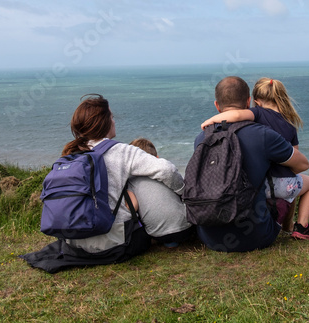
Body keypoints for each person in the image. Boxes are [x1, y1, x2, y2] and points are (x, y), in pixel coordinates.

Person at [20, 94, 185, 273]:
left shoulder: (70, 154)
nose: (114, 121)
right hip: (116, 245)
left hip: (74, 246)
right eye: (112, 117)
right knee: (140, 180)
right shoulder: (122, 151)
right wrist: (183, 192)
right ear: (106, 123)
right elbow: (166, 170)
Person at [192, 76, 309, 252]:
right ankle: (295, 227)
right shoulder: (263, 135)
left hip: (209, 237)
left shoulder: (201, 138)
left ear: (217, 106)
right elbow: (302, 165)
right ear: (248, 102)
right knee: (285, 184)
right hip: (255, 237)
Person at [128, 138, 195, 248]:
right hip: (187, 229)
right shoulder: (163, 172)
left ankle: (168, 240)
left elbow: (133, 206)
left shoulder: (131, 180)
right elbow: (182, 192)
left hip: (157, 235)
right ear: (157, 158)